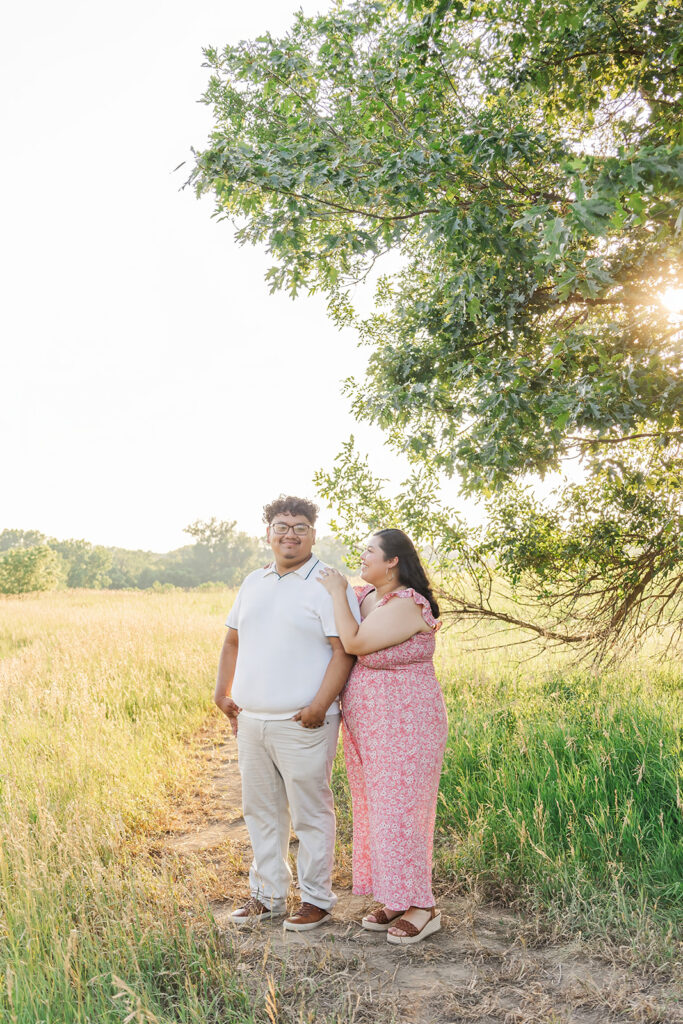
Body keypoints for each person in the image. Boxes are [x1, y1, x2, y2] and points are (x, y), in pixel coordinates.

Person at [214, 495, 360, 931]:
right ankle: (268, 895)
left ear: (313, 534)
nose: (290, 534)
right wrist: (222, 693)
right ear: (268, 533)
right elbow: (232, 642)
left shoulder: (330, 584)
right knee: (261, 810)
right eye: (282, 526)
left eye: (299, 527)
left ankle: (316, 899)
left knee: (311, 812)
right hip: (252, 720)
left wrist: (319, 706)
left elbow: (344, 651)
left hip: (305, 722)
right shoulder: (253, 581)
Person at [317, 529, 447, 945]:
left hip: (408, 726)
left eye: (369, 551)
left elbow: (353, 642)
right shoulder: (366, 597)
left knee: (402, 813)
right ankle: (396, 897)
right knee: (379, 811)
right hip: (373, 729)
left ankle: (423, 907)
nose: (362, 557)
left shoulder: (407, 603)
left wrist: (339, 593)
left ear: (392, 561)